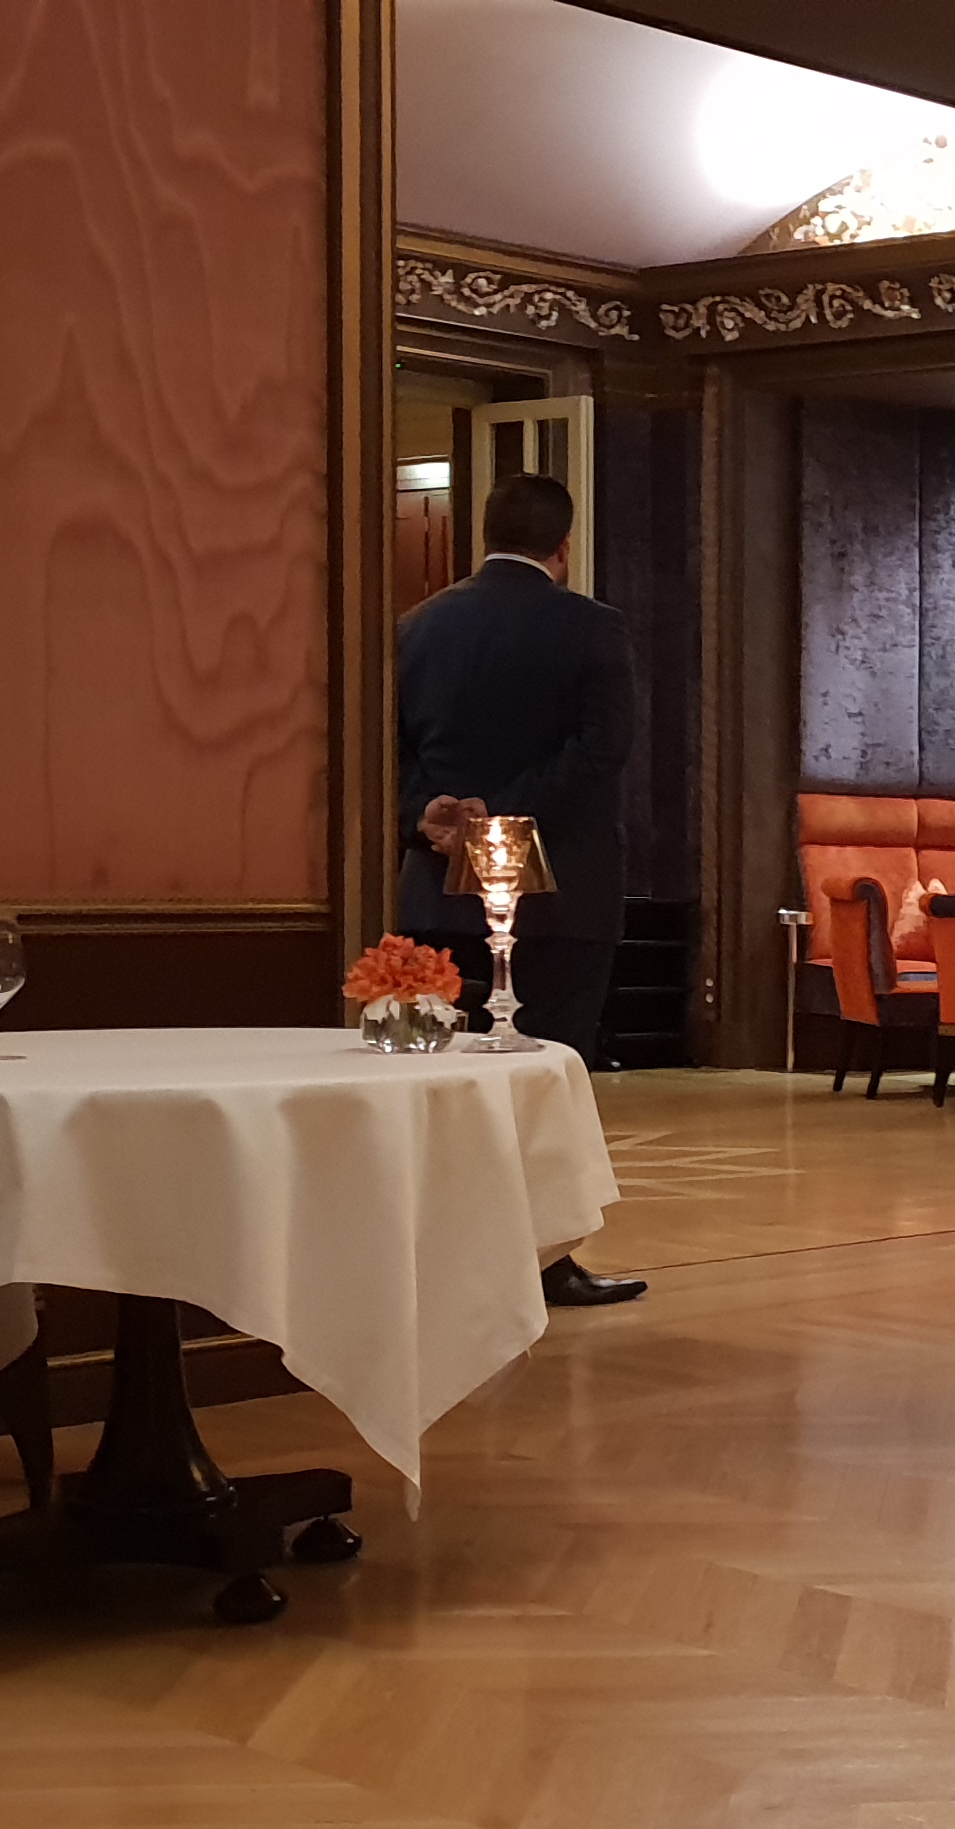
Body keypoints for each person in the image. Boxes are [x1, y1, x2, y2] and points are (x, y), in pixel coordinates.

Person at [395, 471, 646, 1308]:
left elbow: (383, 751)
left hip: (436, 893)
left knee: (436, 1082)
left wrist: (429, 814)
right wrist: (501, 819)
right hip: (560, 898)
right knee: (547, 1078)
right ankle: (541, 1264)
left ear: (484, 535)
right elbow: (602, 751)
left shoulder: (417, 626)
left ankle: (438, 1260)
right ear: (563, 546)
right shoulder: (594, 628)